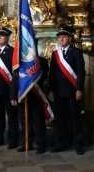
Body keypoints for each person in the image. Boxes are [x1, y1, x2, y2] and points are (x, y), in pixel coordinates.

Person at [49, 26, 85, 155]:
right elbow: (52, 73)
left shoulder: (76, 52)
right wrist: (51, 90)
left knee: (75, 118)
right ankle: (61, 142)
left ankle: (78, 144)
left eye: (64, 37)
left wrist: (79, 89)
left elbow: (81, 72)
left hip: (72, 91)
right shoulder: (55, 54)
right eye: (60, 37)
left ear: (69, 38)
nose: (61, 39)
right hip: (58, 92)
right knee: (60, 119)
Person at [16, 55, 48, 154]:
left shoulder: (41, 61)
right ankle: (26, 143)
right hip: (22, 96)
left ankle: (40, 144)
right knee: (24, 121)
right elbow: (14, 78)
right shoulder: (18, 61)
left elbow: (45, 76)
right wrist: (13, 95)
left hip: (36, 95)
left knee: (38, 121)